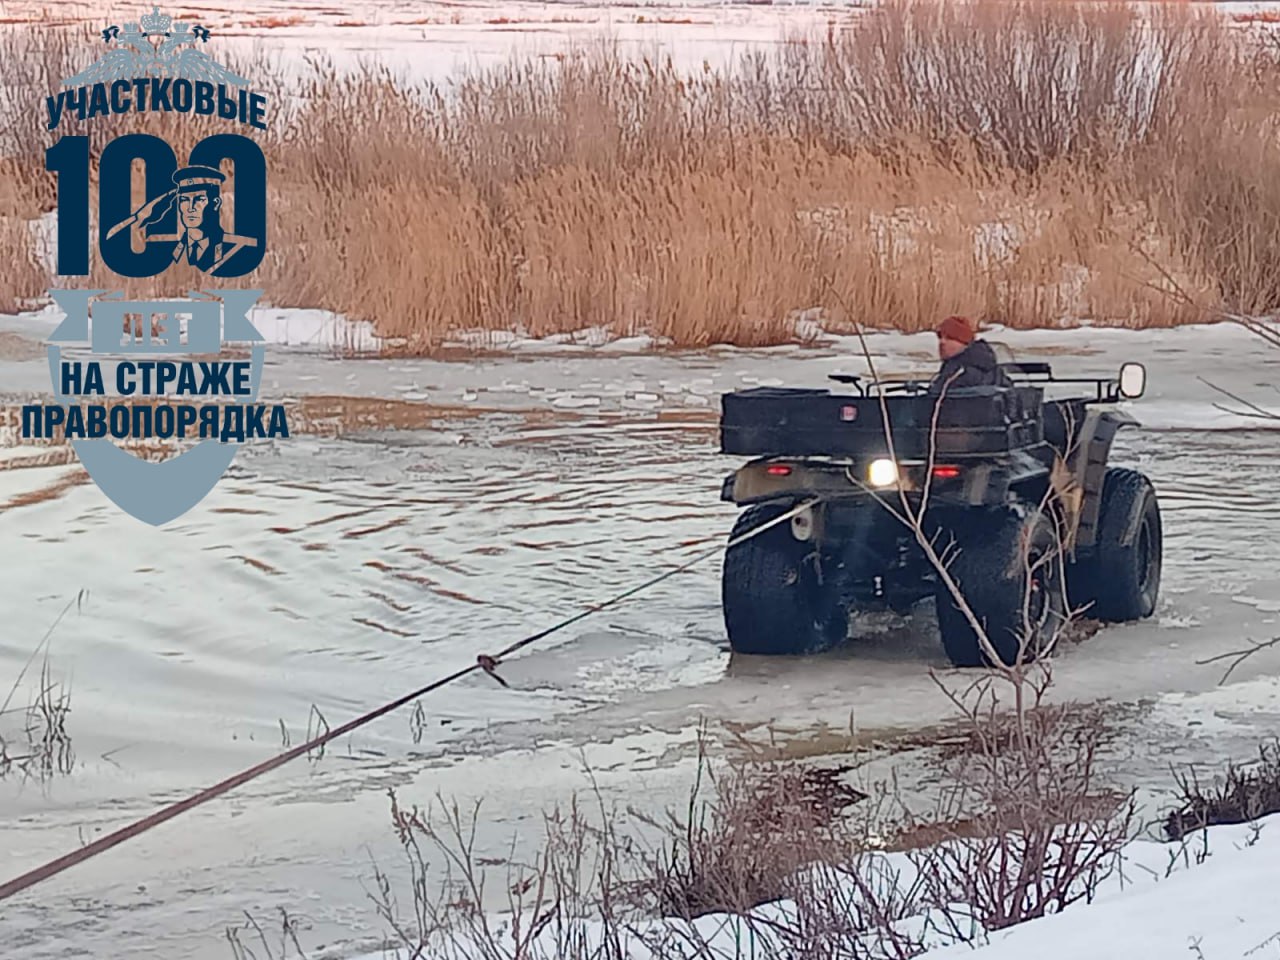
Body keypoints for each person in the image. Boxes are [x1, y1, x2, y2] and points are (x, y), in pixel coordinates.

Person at [929, 315, 1011, 393]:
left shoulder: (958, 372)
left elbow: (936, 401)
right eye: (940, 337)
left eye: (950, 338)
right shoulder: (991, 368)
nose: (942, 342)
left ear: (963, 343)